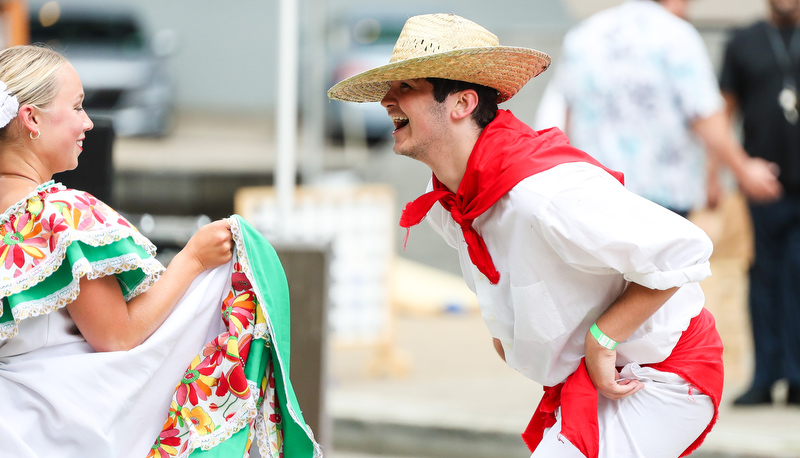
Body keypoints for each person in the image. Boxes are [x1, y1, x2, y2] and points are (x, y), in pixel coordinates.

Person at [329, 13, 724, 458]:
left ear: (461, 104)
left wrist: (602, 338)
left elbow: (685, 249)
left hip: (663, 375)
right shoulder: (446, 198)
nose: (387, 100)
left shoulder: (543, 192)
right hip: (602, 383)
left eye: (407, 87)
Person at [0, 45, 320, 457]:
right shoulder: (58, 215)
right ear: (31, 119)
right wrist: (194, 260)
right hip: (60, 428)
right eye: (78, 107)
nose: (88, 122)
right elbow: (117, 337)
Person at [538, 0, 782, 216]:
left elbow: (561, 117)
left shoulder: (583, 35)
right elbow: (705, 115)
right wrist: (743, 170)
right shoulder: (678, 36)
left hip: (597, 194)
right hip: (663, 198)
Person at [719, 0, 800, 406]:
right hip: (762, 184)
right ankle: (766, 376)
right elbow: (723, 112)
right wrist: (716, 176)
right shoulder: (744, 41)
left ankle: (797, 375)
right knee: (763, 281)